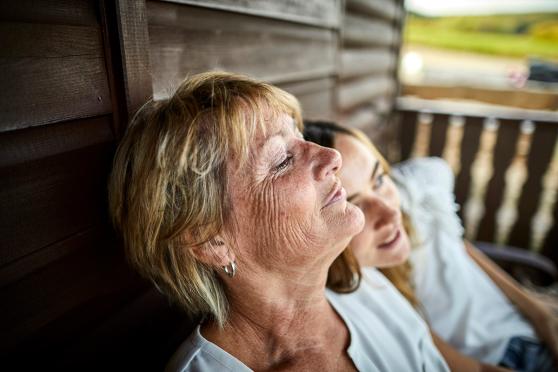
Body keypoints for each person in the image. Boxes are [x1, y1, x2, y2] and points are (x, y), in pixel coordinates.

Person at [108, 72, 450, 371]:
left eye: (298, 135)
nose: (332, 157)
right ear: (212, 240)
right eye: (283, 160)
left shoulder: (370, 291)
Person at [304, 120, 558, 372]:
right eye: (354, 205)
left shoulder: (417, 198)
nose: (391, 213)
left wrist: (539, 313)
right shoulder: (367, 295)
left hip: (526, 328)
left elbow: (457, 244)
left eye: (379, 179)